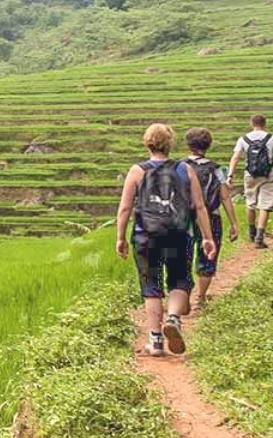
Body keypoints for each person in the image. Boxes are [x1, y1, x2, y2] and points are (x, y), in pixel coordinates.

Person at [116, 123, 216, 357]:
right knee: (180, 280)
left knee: (151, 286)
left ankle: (156, 341)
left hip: (145, 235)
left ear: (147, 143)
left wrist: (120, 237)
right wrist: (208, 237)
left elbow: (125, 208)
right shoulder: (185, 169)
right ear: (171, 144)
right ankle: (173, 317)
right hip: (179, 234)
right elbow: (199, 206)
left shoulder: (137, 171)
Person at [184, 127, 239, 309]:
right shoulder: (217, 169)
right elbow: (225, 197)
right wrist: (233, 223)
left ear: (188, 144)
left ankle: (182, 297)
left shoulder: (178, 167)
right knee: (208, 255)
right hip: (211, 217)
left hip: (182, 218)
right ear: (209, 145)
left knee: (182, 255)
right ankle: (200, 298)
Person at [226, 114, 273, 249]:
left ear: (251, 123)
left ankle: (252, 232)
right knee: (265, 205)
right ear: (265, 124)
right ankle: (259, 237)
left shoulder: (243, 138)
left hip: (250, 174)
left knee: (250, 203)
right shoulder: (271, 138)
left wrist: (230, 175)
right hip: (268, 175)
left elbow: (235, 157)